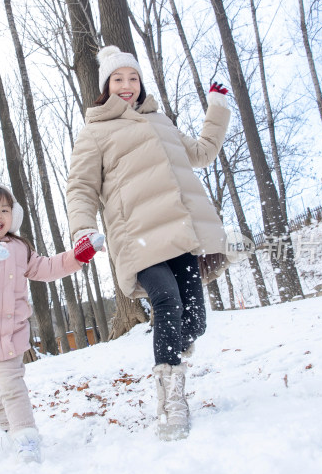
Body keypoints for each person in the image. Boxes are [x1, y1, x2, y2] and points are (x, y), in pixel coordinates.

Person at [65, 46, 232, 441]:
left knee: (195, 321)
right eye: (118, 79)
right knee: (166, 302)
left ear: (141, 85)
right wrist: (82, 230)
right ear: (106, 87)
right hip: (136, 235)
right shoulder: (95, 133)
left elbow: (203, 154)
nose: (126, 85)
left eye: (133, 79)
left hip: (179, 233)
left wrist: (218, 108)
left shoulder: (161, 121)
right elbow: (81, 188)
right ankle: (171, 400)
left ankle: (174, 347)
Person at [0, 184, 103, 463]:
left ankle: (26, 437)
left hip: (9, 333)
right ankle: (9, 429)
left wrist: (78, 256)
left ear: (13, 216)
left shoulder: (19, 248)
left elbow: (46, 268)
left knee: (11, 386)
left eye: (5, 210)